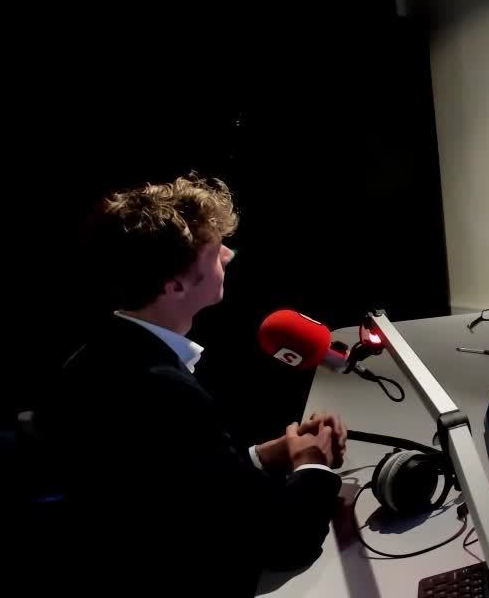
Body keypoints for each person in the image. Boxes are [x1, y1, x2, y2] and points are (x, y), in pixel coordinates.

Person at [38, 173, 346, 597]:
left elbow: (183, 486)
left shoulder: (99, 356)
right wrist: (312, 464)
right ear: (175, 285)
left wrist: (263, 456)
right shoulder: (162, 392)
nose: (228, 255)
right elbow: (283, 543)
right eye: (215, 251)